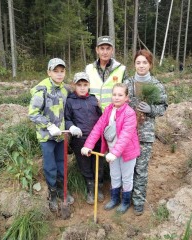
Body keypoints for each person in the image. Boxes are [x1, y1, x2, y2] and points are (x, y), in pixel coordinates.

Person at [81, 83, 140, 214]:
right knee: (114, 175)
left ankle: (125, 201)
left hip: (127, 152)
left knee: (126, 177)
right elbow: (98, 127)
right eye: (114, 94)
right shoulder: (108, 110)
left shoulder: (129, 113)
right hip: (112, 152)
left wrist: (114, 153)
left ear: (126, 97)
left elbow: (125, 136)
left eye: (120, 95)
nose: (117, 97)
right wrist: (88, 145)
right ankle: (114, 199)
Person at [124, 49, 168, 216]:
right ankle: (125, 198)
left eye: (145, 62)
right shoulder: (127, 83)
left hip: (145, 135)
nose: (141, 65)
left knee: (141, 169)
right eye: (138, 62)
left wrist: (151, 109)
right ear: (134, 64)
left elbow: (163, 107)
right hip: (127, 134)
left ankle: (138, 201)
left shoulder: (156, 85)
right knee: (127, 169)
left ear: (150, 65)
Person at [28, 58, 74, 212]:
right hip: (46, 136)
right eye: (56, 71)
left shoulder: (64, 89)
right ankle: (52, 193)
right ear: (49, 72)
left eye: (62, 71)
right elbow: (33, 114)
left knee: (61, 162)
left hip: (61, 135)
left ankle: (62, 189)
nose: (59, 74)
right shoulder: (42, 90)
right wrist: (48, 126)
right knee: (50, 165)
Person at [64, 72, 104, 205]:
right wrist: (71, 127)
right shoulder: (70, 101)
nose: (82, 88)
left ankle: (98, 187)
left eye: (85, 85)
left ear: (89, 86)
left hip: (97, 139)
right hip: (80, 140)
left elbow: (101, 118)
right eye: (79, 85)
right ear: (74, 86)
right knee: (85, 165)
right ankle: (90, 189)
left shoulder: (93, 100)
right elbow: (67, 119)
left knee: (98, 164)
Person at [85, 36, 127, 111]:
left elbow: (127, 95)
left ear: (112, 50)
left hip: (114, 115)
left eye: (108, 48)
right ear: (97, 50)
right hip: (93, 114)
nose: (105, 52)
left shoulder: (121, 69)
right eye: (102, 48)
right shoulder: (88, 69)